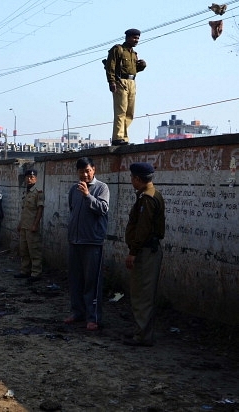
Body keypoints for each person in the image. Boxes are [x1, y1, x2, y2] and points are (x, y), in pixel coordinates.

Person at [64, 157, 110, 331]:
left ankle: (93, 317)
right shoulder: (73, 190)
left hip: (92, 242)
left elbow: (103, 209)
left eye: (88, 171)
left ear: (94, 170)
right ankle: (77, 312)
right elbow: (72, 210)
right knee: (76, 280)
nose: (85, 174)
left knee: (92, 282)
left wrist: (87, 196)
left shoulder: (102, 188)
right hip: (75, 241)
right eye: (81, 171)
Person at [123, 162, 165, 347]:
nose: (131, 181)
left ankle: (143, 335)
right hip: (147, 250)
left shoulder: (147, 199)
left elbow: (143, 229)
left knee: (143, 294)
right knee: (141, 293)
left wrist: (133, 251)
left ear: (138, 179)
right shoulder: (149, 195)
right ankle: (141, 331)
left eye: (132, 178)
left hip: (146, 251)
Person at [106, 28, 147, 146]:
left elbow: (133, 70)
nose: (136, 40)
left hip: (132, 82)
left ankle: (124, 137)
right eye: (134, 38)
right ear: (127, 37)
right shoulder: (118, 49)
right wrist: (111, 82)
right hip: (121, 81)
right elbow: (111, 66)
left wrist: (141, 66)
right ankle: (117, 138)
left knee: (130, 112)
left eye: (138, 38)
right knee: (121, 110)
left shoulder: (133, 54)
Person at [15, 169, 45, 279]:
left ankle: (36, 273)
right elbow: (24, 210)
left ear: (35, 178)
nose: (29, 179)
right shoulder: (26, 192)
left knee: (34, 250)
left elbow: (40, 209)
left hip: (32, 226)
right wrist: (20, 224)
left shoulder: (38, 192)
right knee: (23, 250)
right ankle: (25, 271)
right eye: (27, 177)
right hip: (24, 226)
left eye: (31, 177)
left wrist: (35, 225)